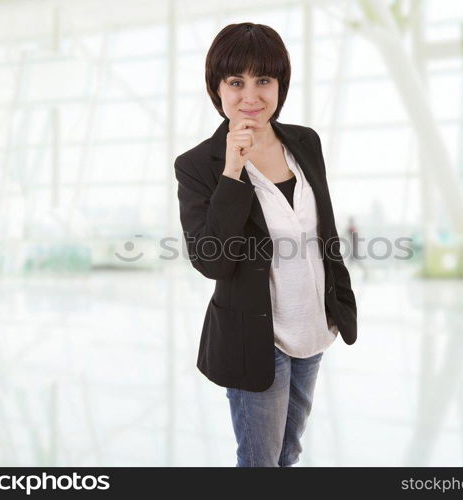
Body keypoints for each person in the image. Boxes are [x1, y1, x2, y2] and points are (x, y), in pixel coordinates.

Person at [174, 22, 357, 467]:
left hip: (313, 324)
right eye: (236, 82)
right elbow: (212, 260)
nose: (251, 96)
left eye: (264, 80)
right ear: (216, 88)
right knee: (260, 461)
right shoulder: (199, 165)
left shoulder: (304, 143)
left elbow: (321, 231)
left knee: (288, 452)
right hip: (255, 336)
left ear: (281, 85)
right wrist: (233, 171)